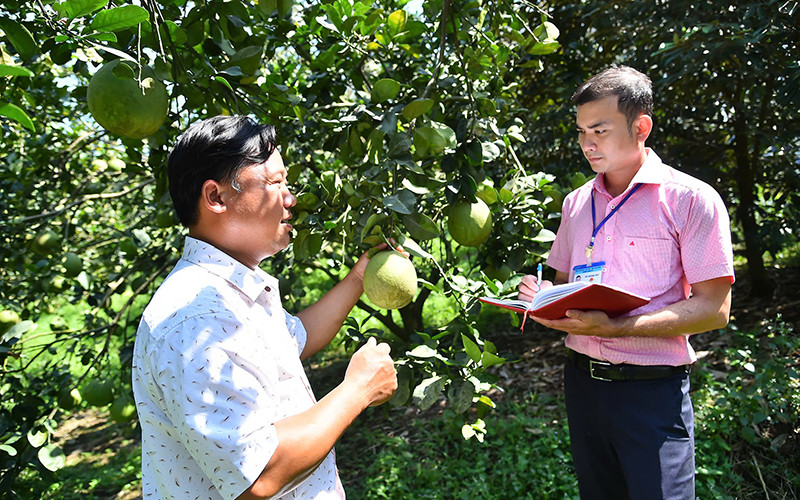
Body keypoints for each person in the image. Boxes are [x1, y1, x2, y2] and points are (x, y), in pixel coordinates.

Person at [132, 115, 398, 500]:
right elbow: (258, 476)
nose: (290, 198)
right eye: (274, 183)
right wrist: (358, 389)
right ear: (217, 197)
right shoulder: (196, 320)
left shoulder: (229, 292)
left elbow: (294, 340)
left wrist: (359, 279)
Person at [519, 66, 734, 500]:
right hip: (582, 386)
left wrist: (618, 328)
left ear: (641, 127)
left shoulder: (690, 199)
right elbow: (564, 286)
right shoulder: (576, 203)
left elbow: (715, 309)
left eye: (599, 129)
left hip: (651, 391)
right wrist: (541, 300)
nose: (586, 144)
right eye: (580, 132)